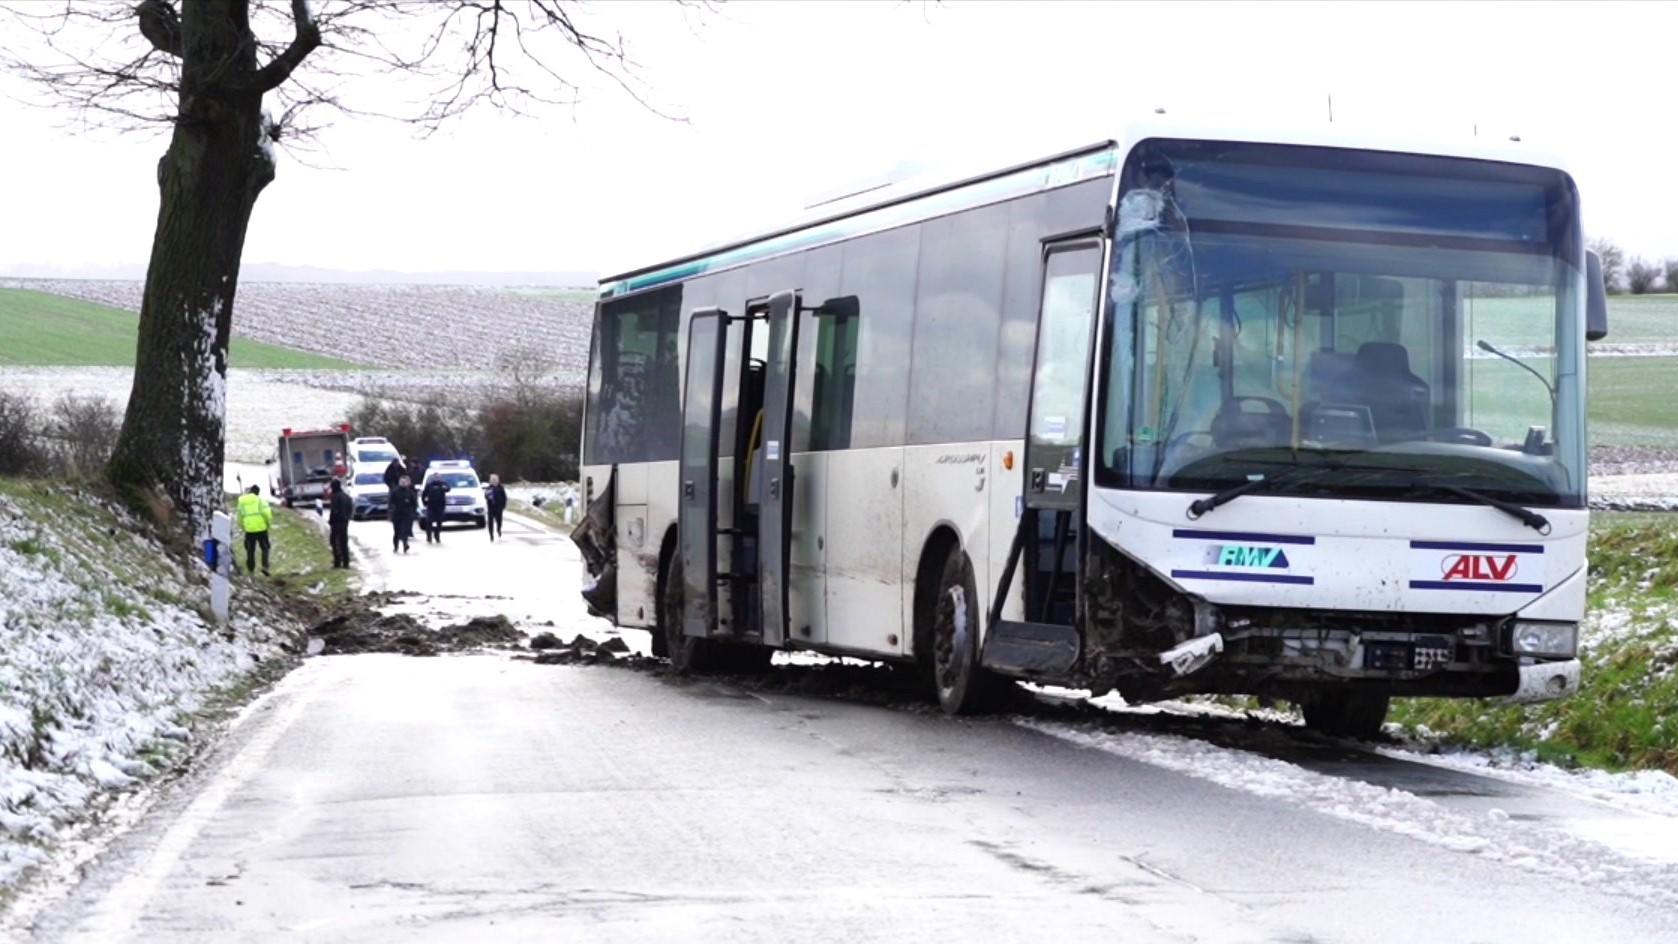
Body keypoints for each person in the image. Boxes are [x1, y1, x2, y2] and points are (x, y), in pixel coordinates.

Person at [235, 484, 272, 576]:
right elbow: (267, 514)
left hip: (249, 530)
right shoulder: (261, 501)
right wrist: (268, 525)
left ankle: (251, 570)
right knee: (265, 547)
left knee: (250, 550)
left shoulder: (242, 501)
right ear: (258, 493)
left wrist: (243, 527)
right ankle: (265, 567)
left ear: (250, 491)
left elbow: (239, 517)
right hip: (261, 529)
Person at [327, 478, 353, 569]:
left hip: (336, 523)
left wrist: (331, 521)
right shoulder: (346, 496)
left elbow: (334, 511)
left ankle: (337, 561)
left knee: (334, 542)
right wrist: (347, 518)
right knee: (344, 542)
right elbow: (350, 509)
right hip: (345, 522)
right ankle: (346, 562)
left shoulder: (335, 496)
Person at [389, 474, 418, 553]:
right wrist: (391, 512)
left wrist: (413, 512)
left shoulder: (409, 492)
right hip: (396, 514)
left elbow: (414, 503)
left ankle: (405, 545)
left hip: (406, 515)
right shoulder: (395, 492)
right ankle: (396, 547)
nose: (403, 483)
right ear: (399, 482)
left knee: (404, 531)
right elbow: (390, 503)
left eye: (404, 482)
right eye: (402, 482)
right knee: (397, 532)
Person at [421, 474, 451, 544]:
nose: (437, 478)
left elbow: (448, 489)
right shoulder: (429, 485)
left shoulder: (443, 484)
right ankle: (429, 537)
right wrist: (425, 502)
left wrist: (444, 487)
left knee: (439, 522)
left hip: (440, 506)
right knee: (429, 521)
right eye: (436, 477)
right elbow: (424, 494)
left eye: (439, 477)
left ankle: (437, 535)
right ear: (433, 478)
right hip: (431, 506)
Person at [485, 474, 507, 541]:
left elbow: (504, 497)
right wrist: (488, 496)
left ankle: (498, 529)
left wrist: (503, 506)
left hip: (499, 507)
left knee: (499, 521)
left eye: (495, 480)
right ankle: (491, 535)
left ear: (498, 480)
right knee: (490, 522)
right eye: (492, 480)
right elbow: (485, 496)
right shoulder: (489, 488)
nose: (494, 481)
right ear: (490, 481)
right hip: (491, 508)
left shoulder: (501, 487)